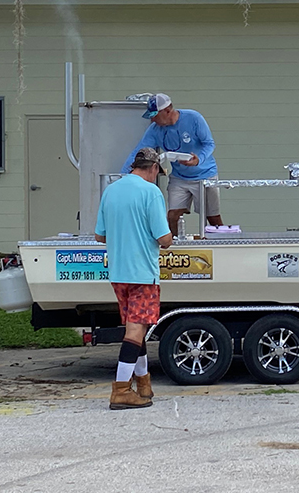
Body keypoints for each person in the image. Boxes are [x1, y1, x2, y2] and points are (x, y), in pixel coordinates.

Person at [96, 147, 173, 410]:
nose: (156, 177)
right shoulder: (151, 192)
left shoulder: (111, 190)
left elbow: (100, 235)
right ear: (152, 168)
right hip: (143, 272)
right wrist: (169, 236)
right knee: (136, 330)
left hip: (118, 272)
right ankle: (120, 390)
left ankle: (143, 384)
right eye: (157, 173)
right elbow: (164, 239)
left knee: (134, 328)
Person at [123, 93, 223, 235]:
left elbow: (209, 144)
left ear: (168, 111)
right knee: (172, 216)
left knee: (212, 217)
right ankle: (173, 248)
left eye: (155, 115)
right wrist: (124, 175)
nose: (152, 119)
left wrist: (198, 159)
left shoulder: (193, 118)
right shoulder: (154, 130)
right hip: (179, 177)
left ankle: (221, 245)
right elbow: (139, 152)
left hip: (205, 175)